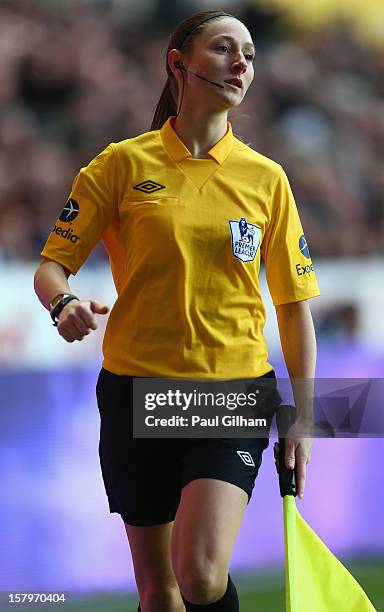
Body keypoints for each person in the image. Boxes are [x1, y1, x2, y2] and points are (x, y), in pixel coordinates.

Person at [34, 10, 319, 612]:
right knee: (158, 592)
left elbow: (294, 309)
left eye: (249, 54)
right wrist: (63, 304)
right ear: (178, 63)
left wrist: (304, 415)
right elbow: (52, 267)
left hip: (233, 390)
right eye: (224, 49)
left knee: (201, 576)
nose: (242, 62)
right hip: (136, 390)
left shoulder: (267, 179)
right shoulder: (120, 165)